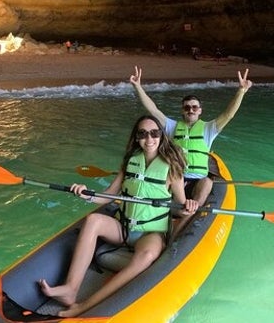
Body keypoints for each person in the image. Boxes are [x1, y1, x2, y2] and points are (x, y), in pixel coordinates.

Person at [38, 115, 196, 317]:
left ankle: (85, 305)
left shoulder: (172, 167)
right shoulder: (130, 162)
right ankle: (71, 288)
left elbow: (179, 206)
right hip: (123, 228)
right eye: (143, 134)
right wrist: (86, 195)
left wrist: (188, 207)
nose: (149, 139)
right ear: (137, 137)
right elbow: (108, 196)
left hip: (151, 233)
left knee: (147, 256)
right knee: (93, 220)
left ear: (161, 136)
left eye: (154, 133)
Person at [129, 66, 253, 209]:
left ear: (200, 111)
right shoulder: (172, 127)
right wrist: (138, 86)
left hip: (198, 181)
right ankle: (161, 209)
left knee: (208, 181)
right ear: (182, 111)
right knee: (169, 177)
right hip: (175, 178)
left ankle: (192, 211)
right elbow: (153, 110)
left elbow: (228, 115)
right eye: (187, 107)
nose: (191, 110)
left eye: (194, 107)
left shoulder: (209, 129)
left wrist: (241, 91)